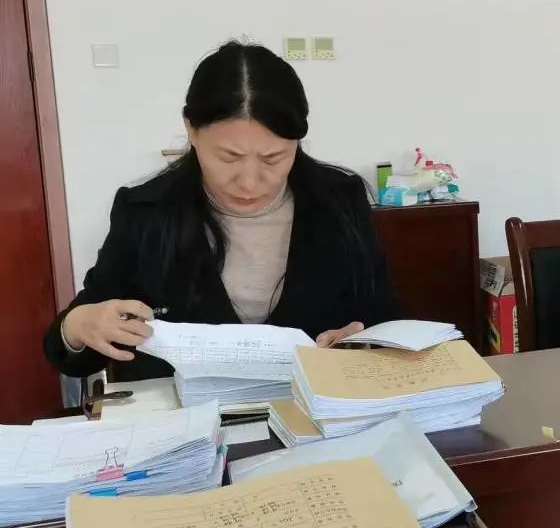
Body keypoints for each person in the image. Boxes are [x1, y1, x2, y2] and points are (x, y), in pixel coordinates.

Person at [43, 41, 399, 380]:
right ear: (191, 129)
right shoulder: (145, 211)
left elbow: (384, 318)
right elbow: (77, 351)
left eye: (273, 158)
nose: (249, 182)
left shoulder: (339, 201)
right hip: (182, 417)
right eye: (229, 157)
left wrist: (366, 339)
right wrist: (78, 326)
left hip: (312, 411)